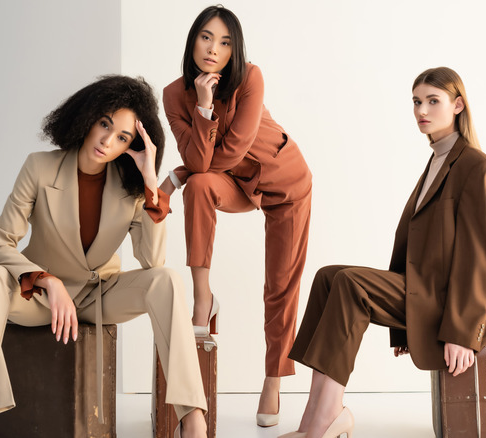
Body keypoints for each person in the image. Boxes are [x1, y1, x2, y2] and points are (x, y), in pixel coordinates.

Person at [0, 75, 207, 438]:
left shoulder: (133, 188)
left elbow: (152, 262)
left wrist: (151, 183)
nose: (108, 141)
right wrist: (46, 279)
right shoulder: (39, 167)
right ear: (88, 117)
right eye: (105, 124)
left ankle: (192, 420)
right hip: (40, 297)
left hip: (99, 296)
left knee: (167, 279)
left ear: (131, 145)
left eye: (123, 137)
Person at [281, 67, 486, 438]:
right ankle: (314, 419)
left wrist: (463, 331)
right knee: (328, 277)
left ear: (458, 105)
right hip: (424, 288)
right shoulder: (436, 160)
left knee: (351, 284)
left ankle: (326, 420)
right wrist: (402, 329)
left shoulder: (477, 167)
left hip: (451, 300)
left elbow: (479, 257)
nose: (422, 110)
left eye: (434, 101)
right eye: (417, 101)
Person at [159, 5, 313, 427]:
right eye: (206, 37)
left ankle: (273, 379)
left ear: (235, 49)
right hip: (235, 184)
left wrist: (177, 174)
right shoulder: (175, 94)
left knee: (279, 285)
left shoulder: (250, 78)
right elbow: (202, 163)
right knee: (202, 187)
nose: (214, 49)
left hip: (284, 182)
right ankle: (203, 297)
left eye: (225, 42)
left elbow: (231, 151)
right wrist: (203, 106)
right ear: (193, 41)